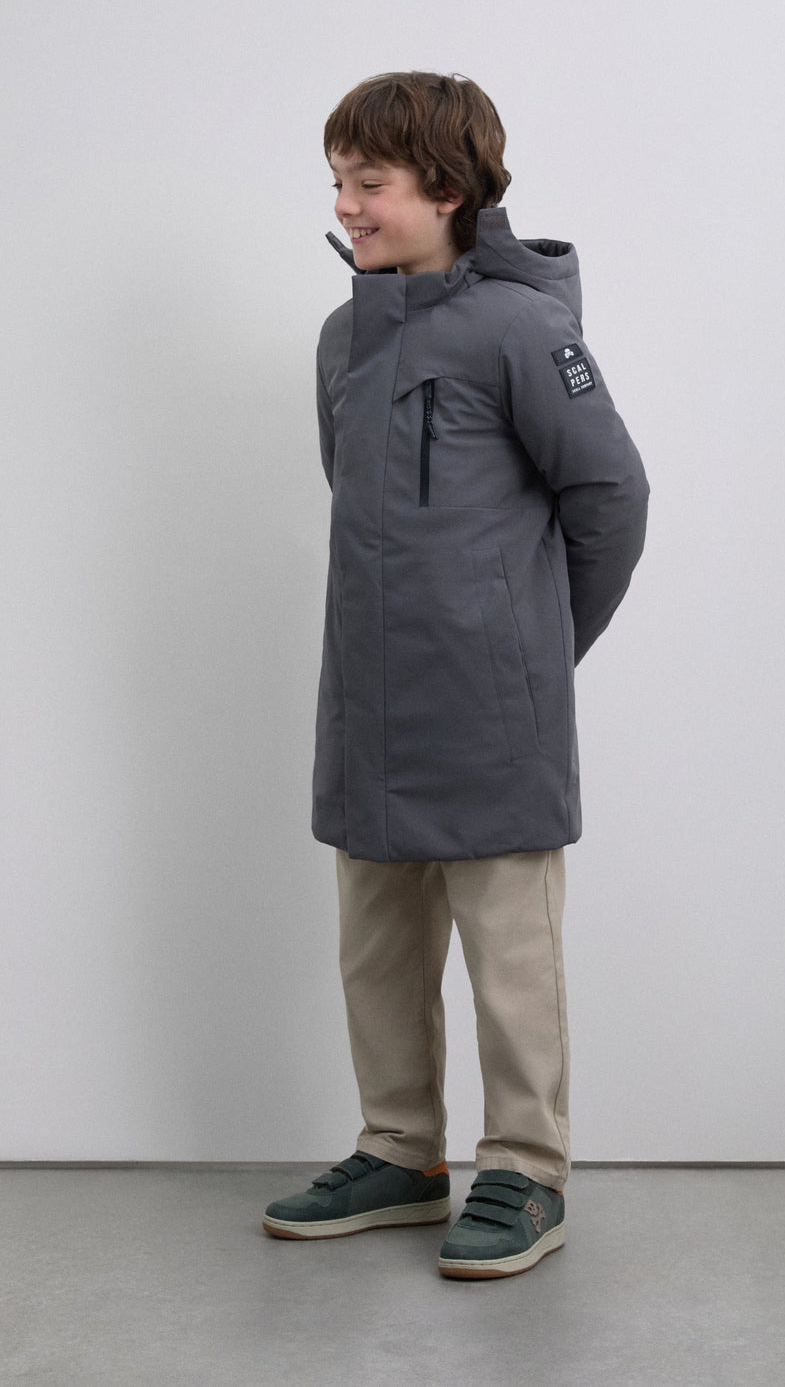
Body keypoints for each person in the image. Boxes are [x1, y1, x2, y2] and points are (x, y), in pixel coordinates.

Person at [263, 71, 649, 1279]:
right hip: (371, 701)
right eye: (337, 182)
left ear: (447, 188)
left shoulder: (524, 330)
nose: (346, 205)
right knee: (376, 945)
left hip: (491, 710)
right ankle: (400, 1152)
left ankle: (526, 1170)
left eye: (368, 183)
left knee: (510, 957)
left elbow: (611, 497)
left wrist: (532, 648)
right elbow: (352, 496)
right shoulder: (343, 337)